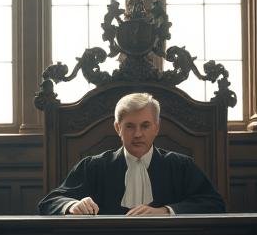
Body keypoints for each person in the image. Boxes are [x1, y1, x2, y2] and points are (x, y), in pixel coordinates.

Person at [37, 92, 226, 216]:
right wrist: (71, 205)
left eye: (145, 125)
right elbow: (50, 203)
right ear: (117, 128)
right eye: (129, 126)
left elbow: (214, 204)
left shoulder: (181, 165)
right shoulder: (93, 166)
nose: (137, 134)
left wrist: (166, 211)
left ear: (156, 128)